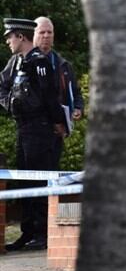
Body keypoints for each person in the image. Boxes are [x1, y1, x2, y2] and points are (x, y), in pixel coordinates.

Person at [0, 18, 66, 251]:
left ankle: (41, 232)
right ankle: (28, 232)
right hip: (23, 127)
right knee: (24, 181)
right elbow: (3, 86)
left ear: (20, 36)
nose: (8, 41)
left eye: (10, 37)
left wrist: (59, 122)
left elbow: (50, 97)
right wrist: (9, 104)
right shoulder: (17, 62)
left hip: (40, 129)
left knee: (39, 180)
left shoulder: (40, 62)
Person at [33, 16, 85, 167]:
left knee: (51, 175)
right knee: (32, 181)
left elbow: (76, 92)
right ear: (34, 34)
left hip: (58, 134)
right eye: (42, 32)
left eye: (50, 32)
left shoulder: (63, 65)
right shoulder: (26, 62)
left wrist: (78, 108)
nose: (46, 36)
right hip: (36, 132)